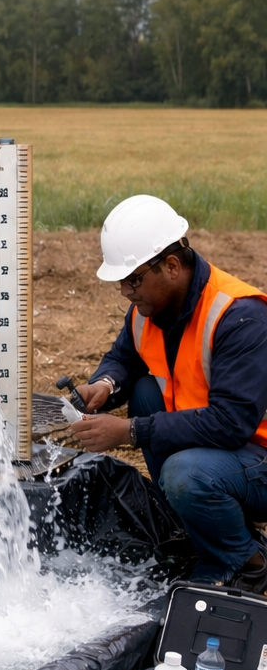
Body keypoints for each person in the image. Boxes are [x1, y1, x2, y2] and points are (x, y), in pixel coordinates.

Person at [69, 194, 267, 590]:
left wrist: (128, 432)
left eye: (133, 279)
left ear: (172, 266)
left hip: (257, 460)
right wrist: (104, 385)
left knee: (184, 475)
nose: (125, 290)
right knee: (143, 391)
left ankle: (246, 562)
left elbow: (229, 424)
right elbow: (123, 359)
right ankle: (196, 530)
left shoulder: (241, 316)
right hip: (223, 456)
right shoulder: (150, 309)